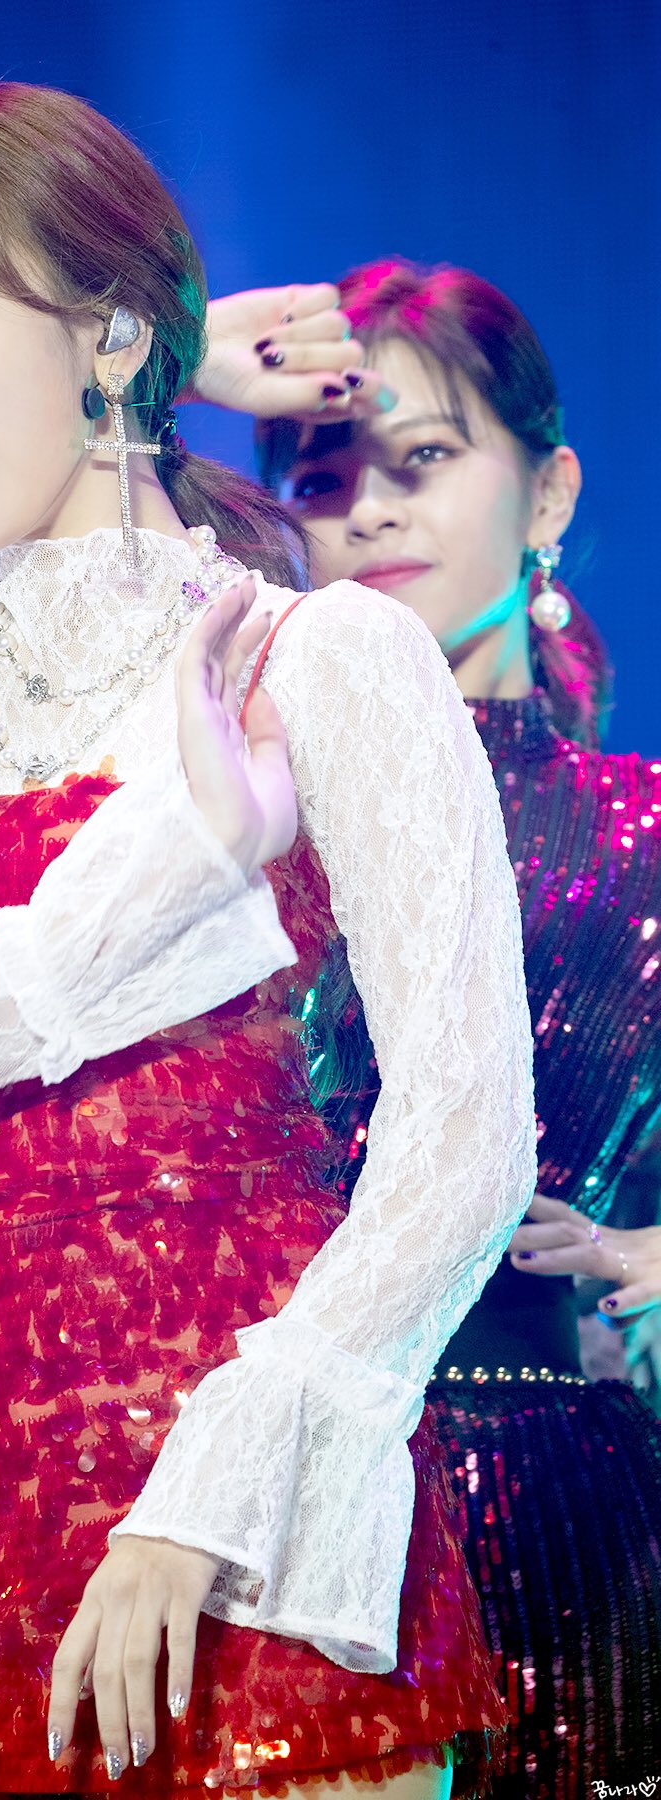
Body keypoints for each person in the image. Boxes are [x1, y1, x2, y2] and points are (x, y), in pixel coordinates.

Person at [0, 95, 537, 1799]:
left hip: (253, 1548)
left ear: (115, 334)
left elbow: (465, 1138)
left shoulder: (323, 658)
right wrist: (176, 863)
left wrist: (208, 1502)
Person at [246, 258, 661, 1797]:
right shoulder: (231, 822)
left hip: (550, 1514)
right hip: (257, 1498)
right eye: (322, 476)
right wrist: (168, 367)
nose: (369, 511)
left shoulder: (640, 832)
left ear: (547, 494)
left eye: (422, 459)